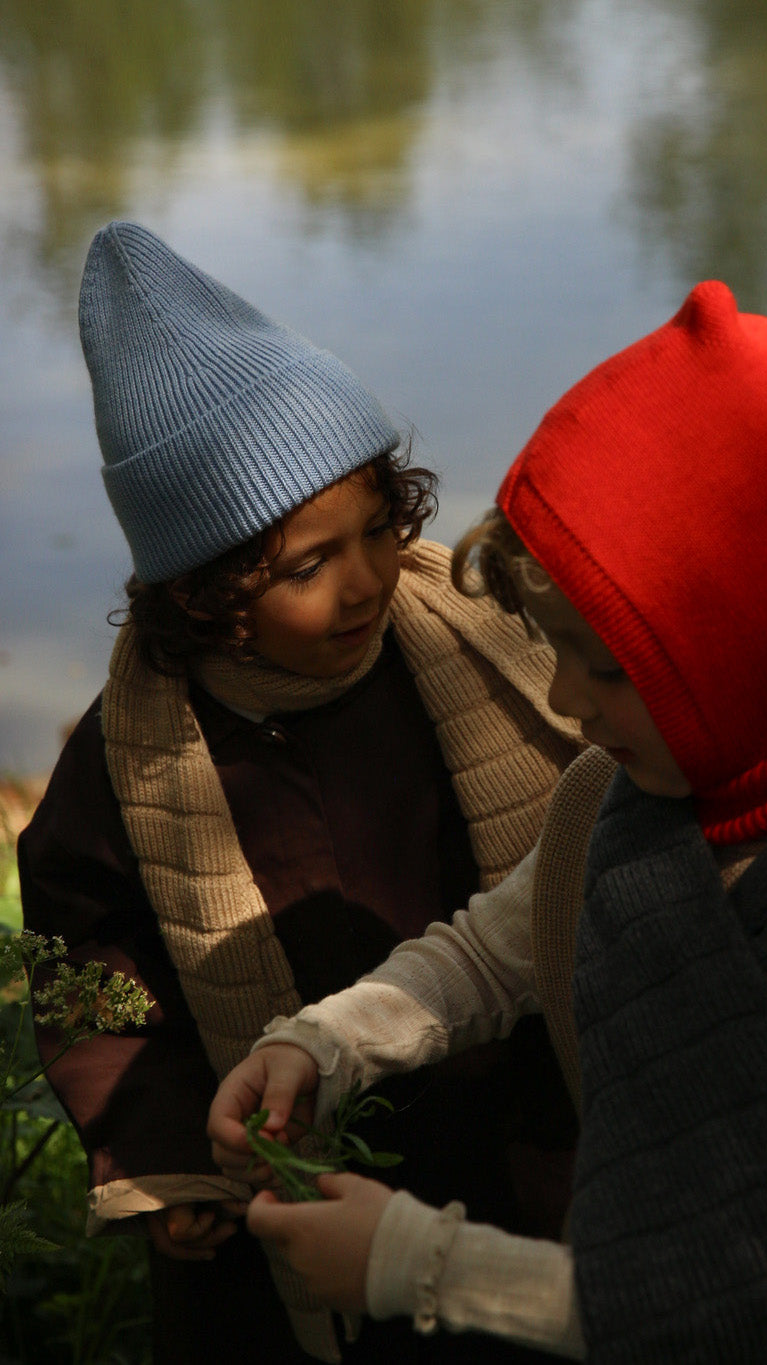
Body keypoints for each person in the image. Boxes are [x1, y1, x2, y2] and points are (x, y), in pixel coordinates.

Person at [208, 281, 767, 1362]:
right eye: (555, 651)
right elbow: (498, 954)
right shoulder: (630, 798)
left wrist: (413, 1262)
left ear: (748, 663)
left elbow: (744, 1298)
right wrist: (326, 1044)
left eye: (603, 669)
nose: (560, 702)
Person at [17, 221, 584, 1365]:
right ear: (205, 595)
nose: (369, 581)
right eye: (305, 566)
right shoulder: (131, 764)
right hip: (276, 1170)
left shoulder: (468, 642)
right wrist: (167, 1156)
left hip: (513, 1131)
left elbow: (582, 837)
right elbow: (90, 980)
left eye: (377, 530)